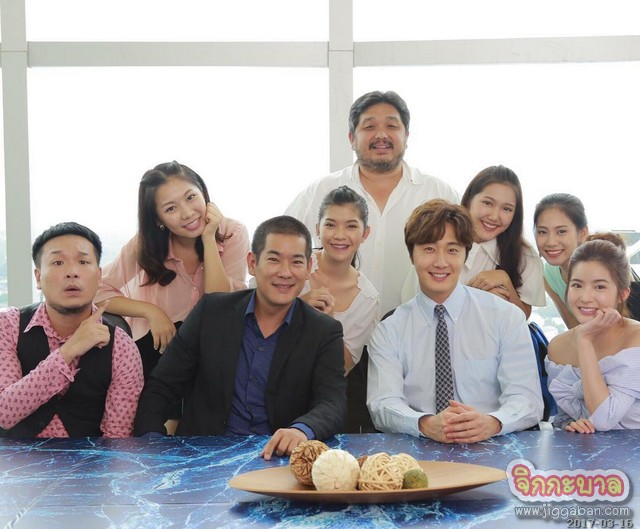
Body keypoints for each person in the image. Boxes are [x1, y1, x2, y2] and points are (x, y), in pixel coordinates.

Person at [134, 216, 346, 459]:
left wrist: (301, 430)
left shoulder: (323, 331)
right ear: (252, 263)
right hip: (202, 459)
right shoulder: (211, 312)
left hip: (277, 460)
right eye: (274, 259)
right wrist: (153, 444)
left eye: (296, 262)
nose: (285, 272)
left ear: (308, 268)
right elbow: (162, 385)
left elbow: (333, 402)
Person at [367, 200, 543, 442]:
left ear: (465, 254)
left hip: (492, 445)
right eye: (429, 249)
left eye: (452, 250)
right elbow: (382, 404)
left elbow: (528, 400)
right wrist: (425, 424)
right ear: (412, 255)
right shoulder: (389, 330)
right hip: (419, 448)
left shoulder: (506, 317)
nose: (441, 262)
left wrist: (492, 423)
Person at [285, 91, 459, 314]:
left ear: (406, 136)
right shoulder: (322, 190)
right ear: (351, 138)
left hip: (418, 329)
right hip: (336, 327)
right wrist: (295, 304)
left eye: (391, 126)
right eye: (369, 127)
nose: (381, 135)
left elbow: (468, 253)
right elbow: (279, 248)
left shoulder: (438, 192)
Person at [95, 161, 249, 380]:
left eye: (191, 197)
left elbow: (220, 303)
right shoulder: (146, 244)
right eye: (171, 208)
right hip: (157, 352)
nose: (187, 213)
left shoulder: (232, 232)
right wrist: (152, 312)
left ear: (203, 192)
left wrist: (208, 239)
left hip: (212, 352)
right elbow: (97, 291)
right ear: (158, 219)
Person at [0, 222, 144, 438]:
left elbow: (117, 437)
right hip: (16, 458)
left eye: (83, 262)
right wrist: (70, 349)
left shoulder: (122, 347)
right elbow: (4, 413)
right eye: (58, 262)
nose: (72, 272)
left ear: (99, 277)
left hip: (88, 458)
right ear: (38, 277)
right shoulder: (8, 325)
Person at [401, 165, 545, 318]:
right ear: (469, 200)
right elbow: (412, 305)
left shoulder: (525, 256)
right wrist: (479, 299)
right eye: (487, 203)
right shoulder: (439, 240)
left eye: (507, 209)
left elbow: (523, 318)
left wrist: (505, 282)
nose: (494, 216)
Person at [546, 235, 640, 432]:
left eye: (599, 287)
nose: (585, 297)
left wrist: (585, 340)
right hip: (587, 450)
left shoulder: (636, 338)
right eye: (577, 285)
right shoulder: (558, 347)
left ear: (622, 294)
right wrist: (570, 425)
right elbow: (563, 416)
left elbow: (604, 420)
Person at [300, 186, 380, 375]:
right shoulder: (296, 265)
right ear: (318, 229)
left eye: (351, 226)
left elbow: (344, 367)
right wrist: (298, 307)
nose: (339, 235)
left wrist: (328, 324)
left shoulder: (367, 298)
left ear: (365, 234)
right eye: (330, 225)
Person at [534, 193, 589, 329]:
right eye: (542, 232)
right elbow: (573, 328)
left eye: (561, 231)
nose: (551, 242)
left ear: (582, 233)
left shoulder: (606, 267)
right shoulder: (547, 273)